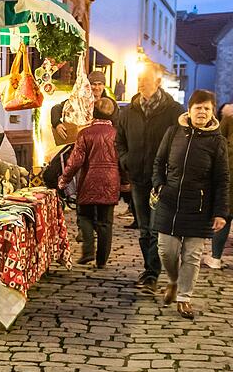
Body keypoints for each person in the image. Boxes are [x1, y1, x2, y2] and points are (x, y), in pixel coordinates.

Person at [152, 89, 228, 319]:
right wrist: (159, 185)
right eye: (198, 107)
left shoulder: (217, 141)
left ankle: (184, 298)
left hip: (199, 206)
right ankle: (173, 281)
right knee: (166, 251)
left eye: (207, 108)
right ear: (190, 109)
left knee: (192, 256)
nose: (202, 112)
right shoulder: (173, 132)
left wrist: (220, 212)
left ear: (212, 112)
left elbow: (222, 179)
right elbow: (159, 162)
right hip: (169, 202)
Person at [116, 62, 184, 294]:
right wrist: (126, 160)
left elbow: (182, 142)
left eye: (146, 78)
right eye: (139, 78)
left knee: (156, 229)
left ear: (157, 82)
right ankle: (149, 270)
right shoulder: (129, 111)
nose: (141, 82)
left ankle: (152, 274)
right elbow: (120, 141)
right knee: (145, 229)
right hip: (138, 177)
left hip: (163, 180)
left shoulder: (174, 111)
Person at [58, 97, 120, 267]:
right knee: (106, 222)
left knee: (84, 215)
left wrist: (64, 179)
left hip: (89, 180)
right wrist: (126, 182)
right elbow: (124, 160)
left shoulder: (85, 134)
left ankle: (88, 250)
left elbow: (75, 161)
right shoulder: (117, 134)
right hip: (110, 181)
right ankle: (101, 261)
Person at [204, 108, 233, 269]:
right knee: (225, 215)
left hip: (228, 174)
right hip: (229, 175)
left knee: (225, 215)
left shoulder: (229, 119)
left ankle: (216, 257)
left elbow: (218, 145)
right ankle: (215, 258)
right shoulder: (229, 119)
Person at [51, 70, 114, 140]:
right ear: (88, 85)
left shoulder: (110, 103)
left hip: (100, 145)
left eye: (99, 84)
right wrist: (57, 124)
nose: (96, 87)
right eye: (93, 84)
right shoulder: (80, 100)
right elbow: (57, 108)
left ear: (104, 85)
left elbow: (117, 125)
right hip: (80, 142)